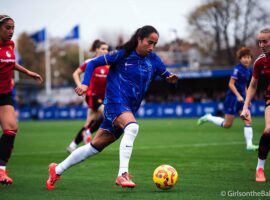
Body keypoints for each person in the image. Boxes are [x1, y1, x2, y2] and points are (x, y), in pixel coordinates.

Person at [46, 25, 178, 190]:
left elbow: (167, 76)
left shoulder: (154, 60)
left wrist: (171, 79)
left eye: (154, 44)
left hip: (128, 108)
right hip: (114, 103)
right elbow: (93, 63)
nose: (151, 47)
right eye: (149, 42)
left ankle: (56, 169)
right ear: (139, 39)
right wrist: (85, 84)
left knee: (94, 147)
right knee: (132, 127)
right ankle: (122, 174)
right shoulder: (122, 54)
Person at [0, 15, 43, 185]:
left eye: (13, 28)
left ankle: (1, 171)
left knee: (11, 128)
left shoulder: (10, 45)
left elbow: (9, 63)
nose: (11, 31)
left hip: (4, 94)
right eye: (7, 28)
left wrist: (28, 72)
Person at [197, 47, 258, 151]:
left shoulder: (248, 71)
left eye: (248, 57)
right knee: (227, 124)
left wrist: (248, 99)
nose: (247, 59)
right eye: (244, 57)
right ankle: (209, 117)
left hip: (242, 99)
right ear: (240, 58)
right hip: (232, 98)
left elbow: (245, 86)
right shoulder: (237, 69)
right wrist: (238, 95)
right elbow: (231, 84)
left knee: (248, 120)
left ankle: (249, 145)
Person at [66, 40, 109, 153]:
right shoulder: (91, 62)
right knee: (107, 113)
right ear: (97, 50)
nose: (106, 51)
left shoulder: (108, 64)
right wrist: (80, 85)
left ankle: (73, 144)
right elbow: (76, 73)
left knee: (90, 121)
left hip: (103, 98)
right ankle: (88, 132)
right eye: (103, 48)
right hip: (91, 95)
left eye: (107, 49)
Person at [241, 28, 270, 182]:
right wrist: (246, 107)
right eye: (260, 41)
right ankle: (260, 168)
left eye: (265, 41)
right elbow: (252, 86)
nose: (261, 44)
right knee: (269, 130)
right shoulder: (260, 61)